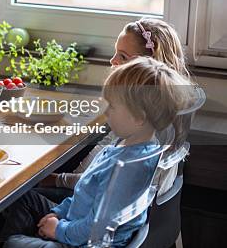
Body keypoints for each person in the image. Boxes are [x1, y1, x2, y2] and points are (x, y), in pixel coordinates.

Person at [0, 57, 192, 248]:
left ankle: (13, 244)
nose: (106, 111)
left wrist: (58, 230)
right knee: (22, 197)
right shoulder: (123, 145)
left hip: (86, 244)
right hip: (75, 223)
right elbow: (82, 196)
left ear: (138, 117)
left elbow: (95, 230)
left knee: (15, 244)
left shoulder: (129, 169)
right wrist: (57, 214)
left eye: (113, 106)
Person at [37, 18, 191, 203]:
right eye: (115, 52)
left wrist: (57, 180)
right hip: (115, 203)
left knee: (20, 198)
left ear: (149, 67)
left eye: (123, 57)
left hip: (94, 207)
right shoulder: (160, 111)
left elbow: (98, 183)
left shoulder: (139, 124)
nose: (112, 61)